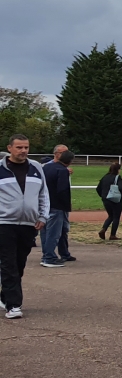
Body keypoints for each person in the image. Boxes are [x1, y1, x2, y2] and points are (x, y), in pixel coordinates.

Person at [0, 133, 49, 320]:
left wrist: (43, 216)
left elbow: (43, 194)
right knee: (8, 263)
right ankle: (14, 305)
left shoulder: (36, 168)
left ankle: (5, 296)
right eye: (19, 147)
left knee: (19, 263)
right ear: (10, 148)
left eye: (26, 147)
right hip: (4, 223)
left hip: (29, 224)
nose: (23, 151)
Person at [40, 146, 75, 267]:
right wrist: (66, 205)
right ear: (70, 161)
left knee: (45, 232)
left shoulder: (46, 167)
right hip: (57, 205)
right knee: (54, 233)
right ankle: (49, 257)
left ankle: (47, 254)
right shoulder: (62, 171)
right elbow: (62, 190)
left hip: (45, 204)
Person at [97, 162, 122, 240]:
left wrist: (103, 196)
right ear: (118, 170)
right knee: (116, 217)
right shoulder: (118, 177)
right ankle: (113, 235)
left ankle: (104, 229)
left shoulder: (105, 177)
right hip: (115, 199)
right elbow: (120, 188)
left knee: (111, 216)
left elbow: (98, 188)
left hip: (105, 199)